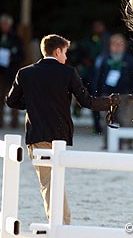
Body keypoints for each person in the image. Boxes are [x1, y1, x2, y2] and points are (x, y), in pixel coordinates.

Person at [5, 34, 120, 224]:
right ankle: (62, 224)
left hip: (37, 135)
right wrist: (108, 103)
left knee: (49, 184)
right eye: (65, 53)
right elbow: (87, 101)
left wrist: (34, 104)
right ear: (57, 51)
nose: (66, 57)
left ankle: (62, 224)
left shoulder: (25, 73)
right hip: (60, 136)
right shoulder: (68, 73)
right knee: (54, 182)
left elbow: (11, 101)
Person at [96, 33, 133, 150]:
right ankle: (107, 143)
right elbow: (98, 78)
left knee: (126, 120)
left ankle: (127, 143)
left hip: (125, 95)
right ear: (110, 46)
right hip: (107, 95)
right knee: (106, 120)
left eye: (120, 44)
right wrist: (98, 95)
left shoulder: (130, 60)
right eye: (115, 44)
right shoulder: (104, 59)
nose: (117, 46)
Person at [0, 14, 24, 127]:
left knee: (13, 96)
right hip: (0, 72)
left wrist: (11, 58)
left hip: (11, 72)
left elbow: (21, 55)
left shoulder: (16, 38)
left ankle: (14, 122)